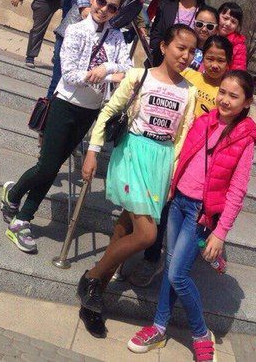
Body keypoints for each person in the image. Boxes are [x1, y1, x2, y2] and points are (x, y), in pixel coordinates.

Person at [127, 70, 256, 361]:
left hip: (200, 214)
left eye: (234, 96)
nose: (225, 100)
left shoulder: (245, 138)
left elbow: (237, 190)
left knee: (177, 273)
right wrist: (170, 187)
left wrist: (220, 233)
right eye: (222, 92)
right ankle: (159, 327)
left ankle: (200, 333)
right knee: (171, 268)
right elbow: (183, 155)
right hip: (178, 203)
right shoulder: (203, 121)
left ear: (247, 102)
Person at [77, 25, 198, 338]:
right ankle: (92, 277)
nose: (185, 56)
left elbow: (182, 136)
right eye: (180, 47)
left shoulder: (190, 91)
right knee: (146, 234)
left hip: (161, 164)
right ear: (164, 47)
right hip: (132, 154)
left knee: (124, 228)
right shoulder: (137, 77)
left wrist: (172, 176)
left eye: (191, 51)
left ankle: (93, 301)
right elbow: (109, 112)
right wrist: (92, 151)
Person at [1, 0, 132, 253]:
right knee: (47, 166)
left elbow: (128, 68)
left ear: (117, 11)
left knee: (53, 165)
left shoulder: (117, 36)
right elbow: (70, 74)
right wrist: (107, 75)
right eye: (101, 1)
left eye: (112, 7)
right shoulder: (75, 30)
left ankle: (18, 206)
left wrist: (106, 68)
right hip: (65, 105)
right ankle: (18, 209)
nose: (104, 9)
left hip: (90, 111)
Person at [129, 35, 232, 289]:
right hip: (173, 153)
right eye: (210, 58)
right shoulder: (189, 77)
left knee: (188, 215)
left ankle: (178, 261)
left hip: (202, 167)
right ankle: (151, 257)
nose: (214, 64)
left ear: (229, 63)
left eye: (221, 60)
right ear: (202, 58)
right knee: (161, 207)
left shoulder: (227, 93)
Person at [150, 0, 207, 66]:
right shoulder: (165, 5)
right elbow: (155, 37)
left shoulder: (205, 12)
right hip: (161, 63)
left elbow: (205, 44)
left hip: (190, 68)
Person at [218, 2, 247, 70]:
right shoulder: (207, 31)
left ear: (237, 26)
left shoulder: (239, 47)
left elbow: (238, 72)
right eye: (225, 18)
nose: (228, 24)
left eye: (233, 22)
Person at [190, 6, 219, 70]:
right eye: (199, 24)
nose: (204, 29)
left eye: (210, 26)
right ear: (194, 24)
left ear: (217, 29)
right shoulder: (184, 45)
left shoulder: (218, 53)